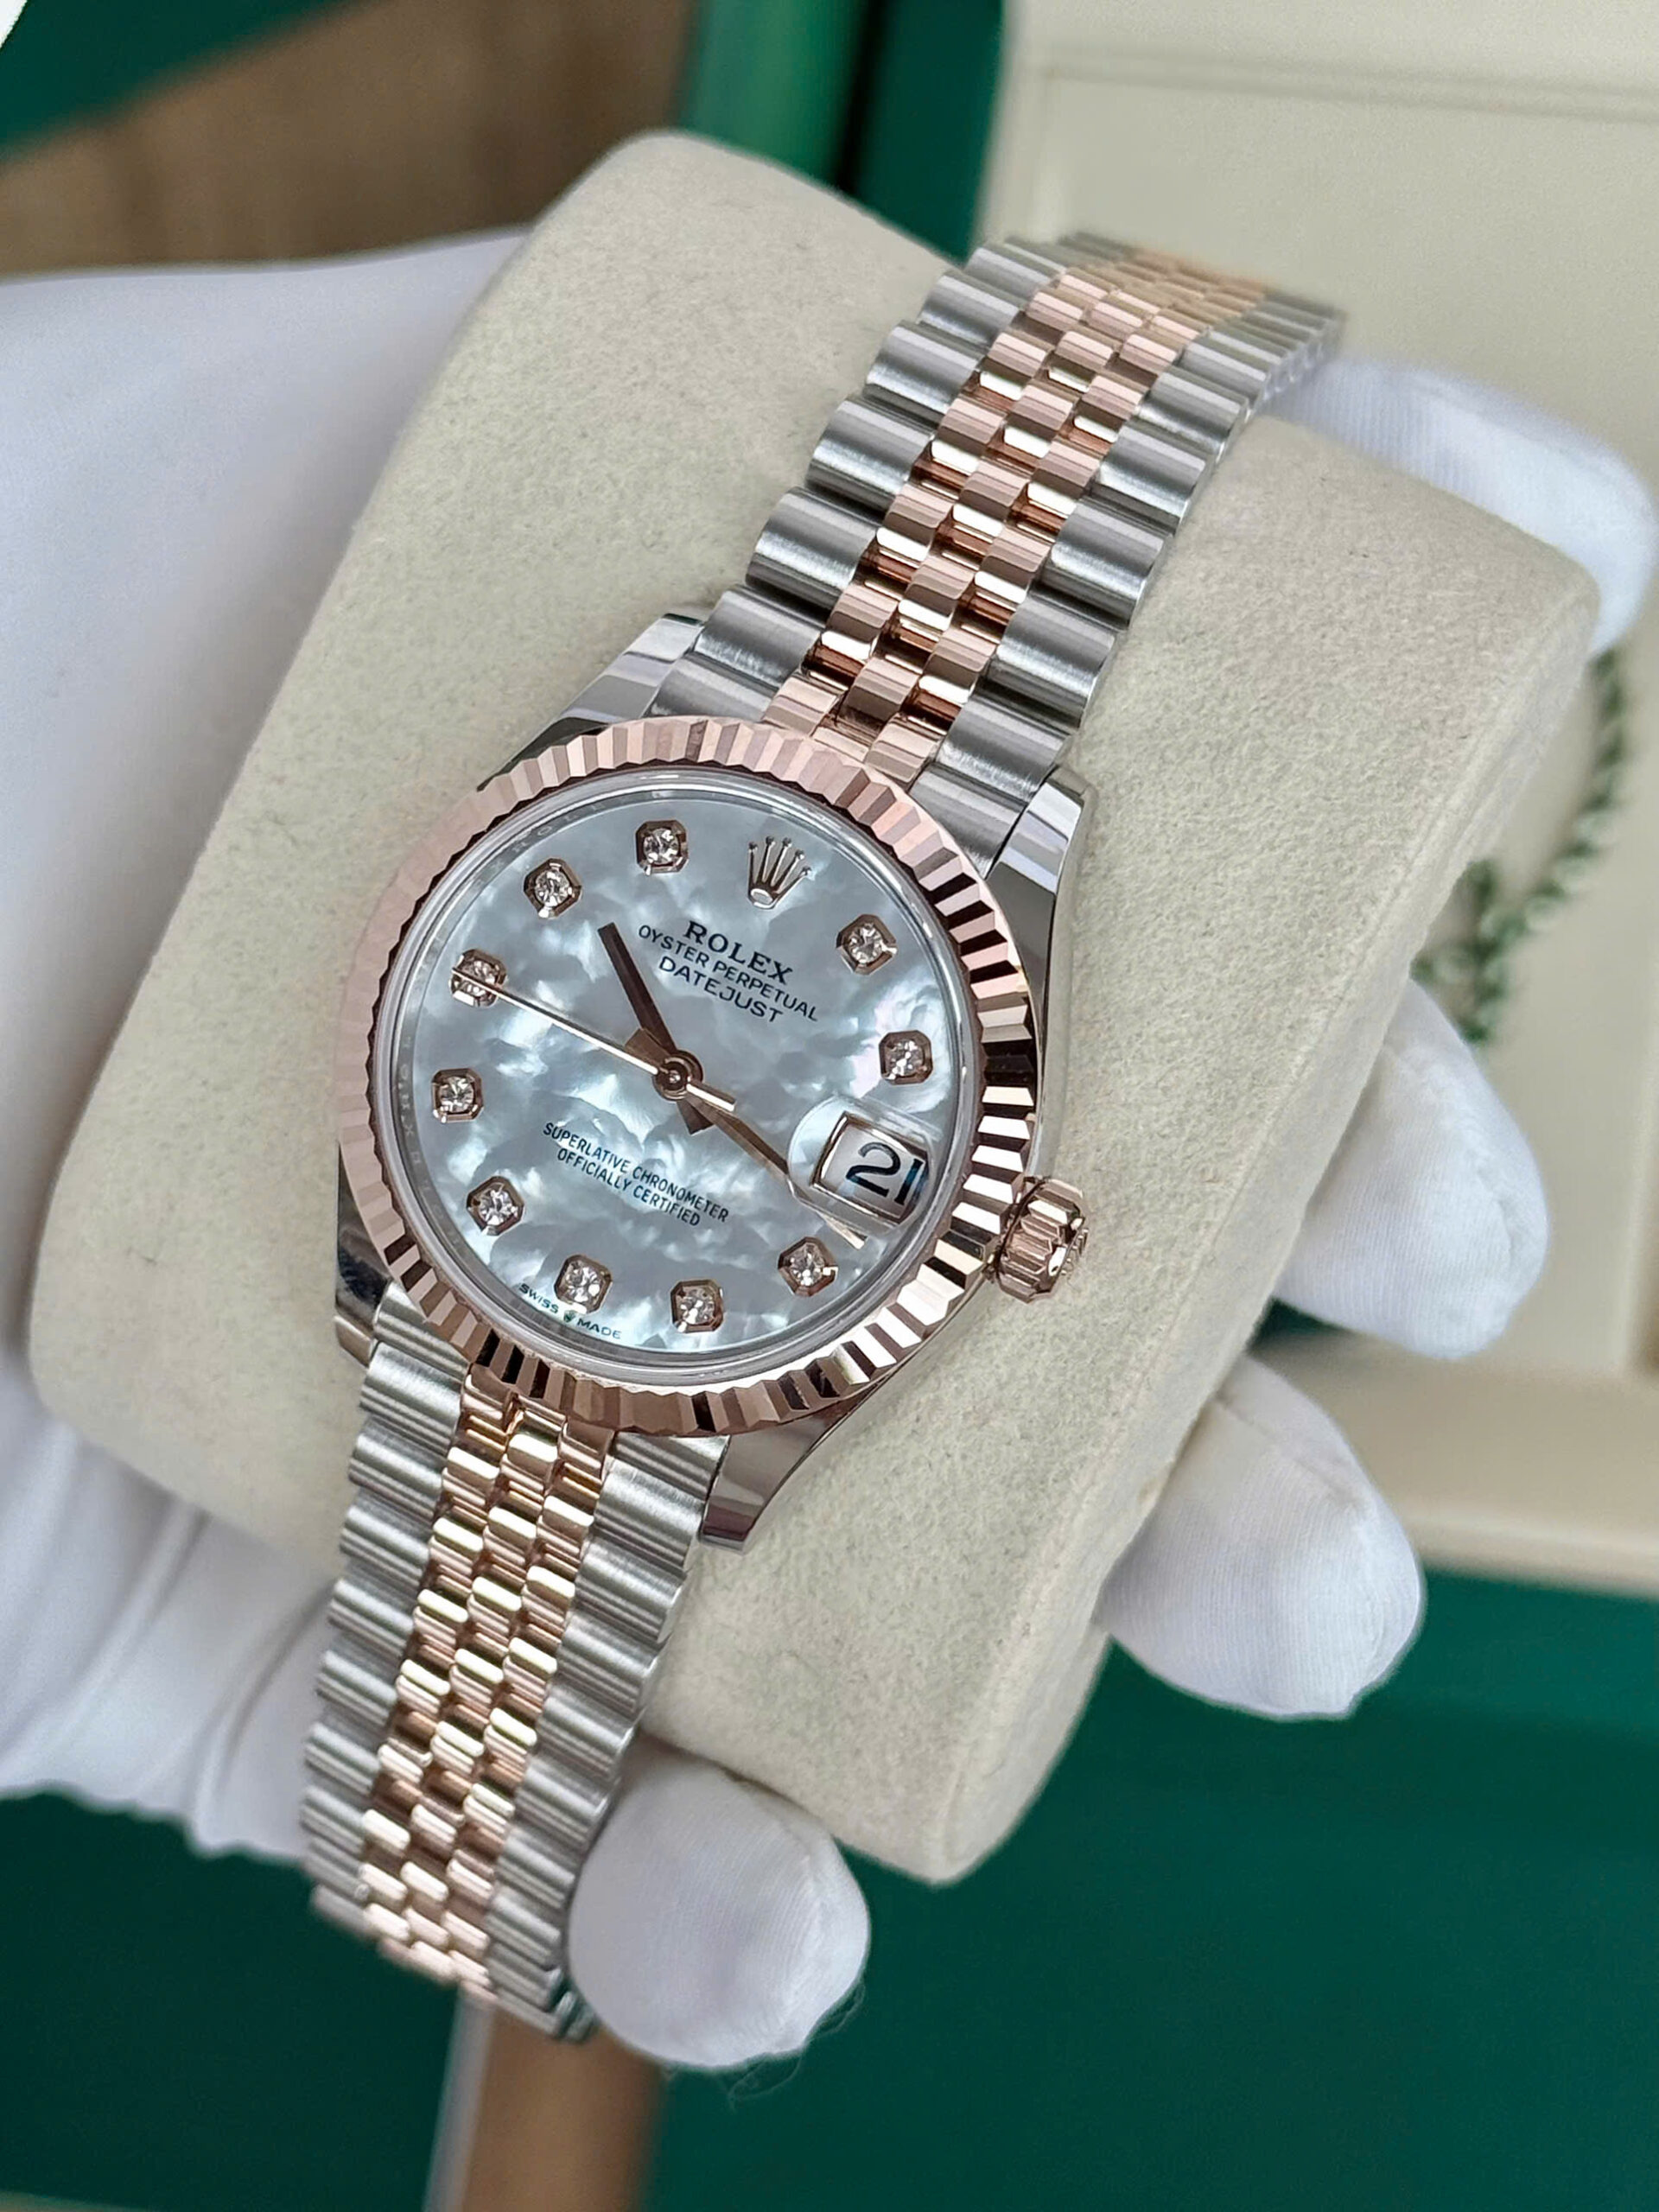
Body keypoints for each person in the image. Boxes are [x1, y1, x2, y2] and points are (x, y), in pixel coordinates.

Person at [1, 233, 1652, 2068]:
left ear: (1012, 1228)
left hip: (618, 1277)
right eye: (681, 1070)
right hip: (498, 1227)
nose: (691, 1086)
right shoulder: (629, 744)